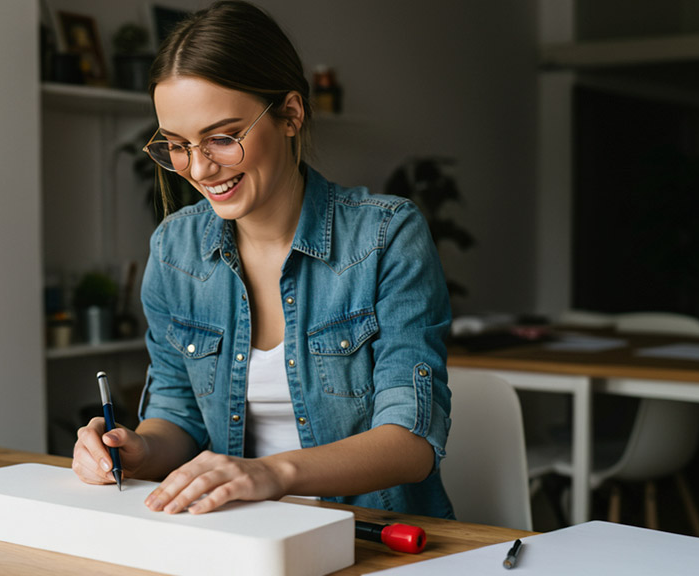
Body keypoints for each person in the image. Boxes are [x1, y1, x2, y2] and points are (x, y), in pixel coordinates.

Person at [72, 0, 454, 519]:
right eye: (178, 145)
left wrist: (272, 473)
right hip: (239, 535)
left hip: (372, 534)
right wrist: (138, 449)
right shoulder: (174, 250)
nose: (200, 169)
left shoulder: (386, 236)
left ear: (290, 115)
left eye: (222, 138)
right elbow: (176, 415)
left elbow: (411, 442)